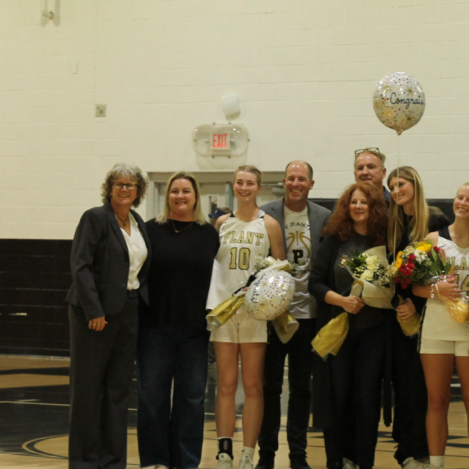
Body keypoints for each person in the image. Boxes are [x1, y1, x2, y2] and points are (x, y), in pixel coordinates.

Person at [67, 164, 151, 469]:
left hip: (128, 310)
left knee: (118, 390)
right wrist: (95, 311)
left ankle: (113, 461)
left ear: (139, 191)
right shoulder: (95, 218)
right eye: (119, 184)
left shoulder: (138, 221)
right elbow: (81, 266)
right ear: (110, 188)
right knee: (88, 390)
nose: (125, 189)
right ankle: (84, 461)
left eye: (131, 185)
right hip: (95, 314)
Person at [137, 173, 218, 469]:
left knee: (192, 402)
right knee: (152, 400)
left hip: (195, 332)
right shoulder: (149, 231)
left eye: (186, 191)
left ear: (196, 196)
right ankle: (154, 461)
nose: (180, 196)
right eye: (175, 191)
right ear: (167, 195)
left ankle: (185, 462)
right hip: (155, 330)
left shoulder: (209, 234)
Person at [309, 182, 392, 469]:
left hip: (374, 332)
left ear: (374, 207)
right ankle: (337, 460)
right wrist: (342, 301)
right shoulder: (335, 237)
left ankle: (363, 461)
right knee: (338, 397)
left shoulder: (385, 240)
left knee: (367, 401)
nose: (358, 206)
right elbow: (315, 283)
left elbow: (394, 285)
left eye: (364, 202)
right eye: (354, 202)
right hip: (339, 331)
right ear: (347, 206)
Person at [208, 166, 286, 469]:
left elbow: (281, 271)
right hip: (224, 311)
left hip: (255, 313)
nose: (244, 187)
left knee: (253, 385)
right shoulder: (221, 223)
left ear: (258, 187)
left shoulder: (270, 225)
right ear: (233, 185)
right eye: (239, 182)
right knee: (226, 384)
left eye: (250, 183)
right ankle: (224, 450)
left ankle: (247, 453)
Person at [257, 161, 331, 469]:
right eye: (291, 178)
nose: (295, 183)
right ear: (283, 182)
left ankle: (298, 455)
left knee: (302, 388)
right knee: (270, 388)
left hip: (310, 315)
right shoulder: (265, 214)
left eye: (302, 179)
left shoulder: (324, 218)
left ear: (311, 184)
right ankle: (267, 455)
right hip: (275, 315)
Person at [416, 183, 469, 469]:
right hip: (436, 327)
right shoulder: (433, 240)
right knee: (437, 400)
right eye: (460, 197)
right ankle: (437, 464)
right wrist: (438, 290)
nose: (463, 203)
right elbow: (416, 288)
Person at [387, 166, 446, 469]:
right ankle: (406, 450)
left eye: (401, 184)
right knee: (404, 386)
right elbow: (394, 274)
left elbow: (440, 273)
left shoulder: (435, 220)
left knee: (421, 388)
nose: (397, 191)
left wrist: (415, 304)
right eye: (392, 186)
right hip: (400, 317)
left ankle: (420, 451)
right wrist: (402, 301)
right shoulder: (395, 224)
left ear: (415, 184)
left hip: (429, 314)